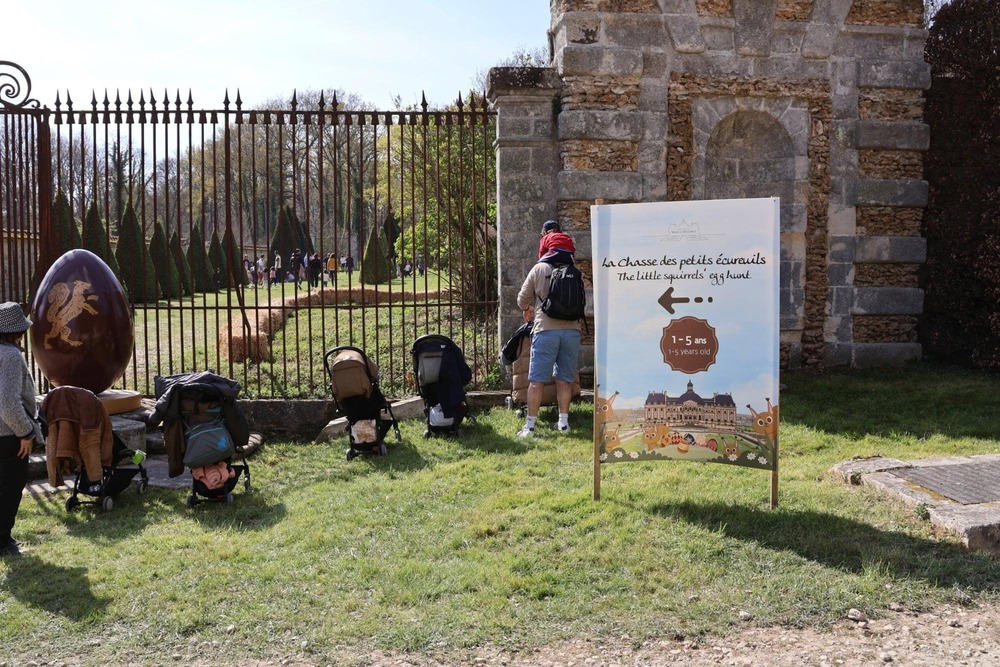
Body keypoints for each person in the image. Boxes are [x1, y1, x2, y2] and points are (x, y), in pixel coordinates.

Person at [515, 221, 581, 437]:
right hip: (572, 331)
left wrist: (528, 308)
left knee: (537, 380)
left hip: (546, 330)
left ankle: (531, 427)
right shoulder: (573, 270)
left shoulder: (540, 268)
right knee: (565, 379)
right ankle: (563, 424)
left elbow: (522, 299)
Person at [0, 302, 42, 557]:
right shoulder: (11, 356)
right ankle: (3, 542)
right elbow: (6, 403)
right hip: (8, 434)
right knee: (10, 487)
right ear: (17, 332)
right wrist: (25, 433)